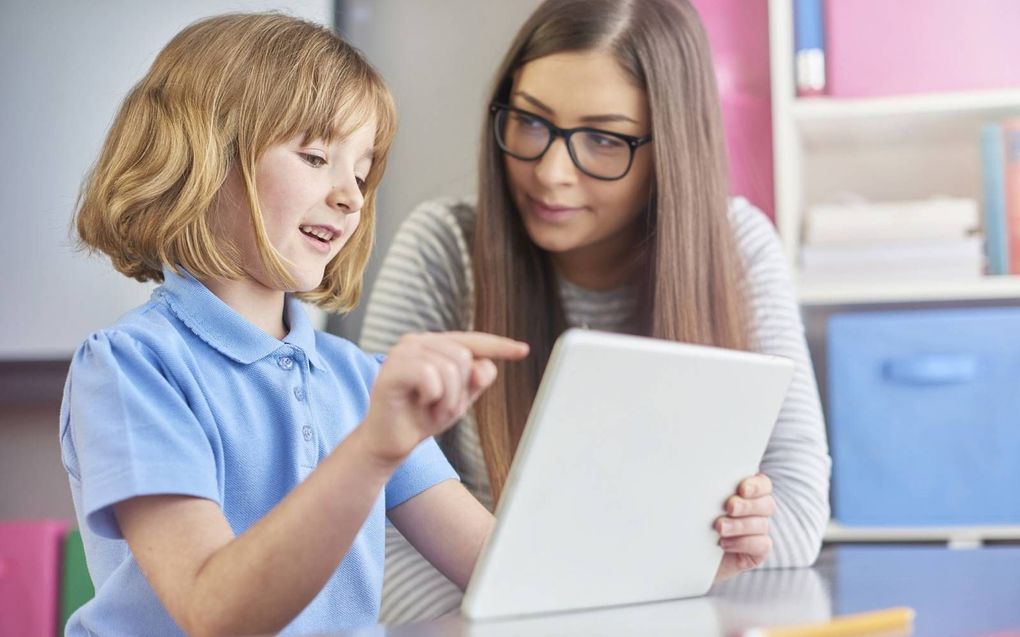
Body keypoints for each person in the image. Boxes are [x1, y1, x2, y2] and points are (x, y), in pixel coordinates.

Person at [361, 0, 831, 623]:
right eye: (530, 122)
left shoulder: (738, 245)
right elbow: (369, 508)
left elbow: (796, 514)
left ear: (673, 147)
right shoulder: (443, 247)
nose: (550, 173)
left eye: (605, 139)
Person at [60, 13, 528, 636]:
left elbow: (514, 578)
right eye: (315, 156)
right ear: (204, 156)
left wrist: (691, 553)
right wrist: (370, 453)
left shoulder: (360, 382)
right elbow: (214, 612)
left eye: (361, 173)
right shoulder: (131, 369)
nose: (352, 196)